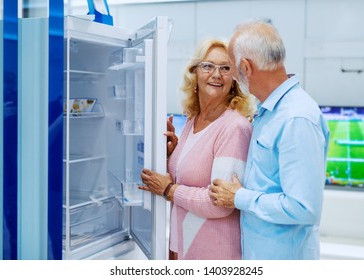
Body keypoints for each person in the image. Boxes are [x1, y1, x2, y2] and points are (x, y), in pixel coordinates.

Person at [209, 19, 330, 260]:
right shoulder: (268, 112)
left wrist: (239, 197)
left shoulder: (296, 118)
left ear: (246, 67)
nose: (230, 76)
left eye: (231, 68)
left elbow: (303, 208)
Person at [138, 38, 254, 260]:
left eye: (225, 68)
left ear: (235, 79)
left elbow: (220, 204)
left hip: (213, 253)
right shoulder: (193, 119)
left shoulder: (234, 127)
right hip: (181, 247)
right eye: (208, 66)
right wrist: (170, 155)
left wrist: (168, 190)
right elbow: (188, 177)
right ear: (195, 73)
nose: (216, 74)